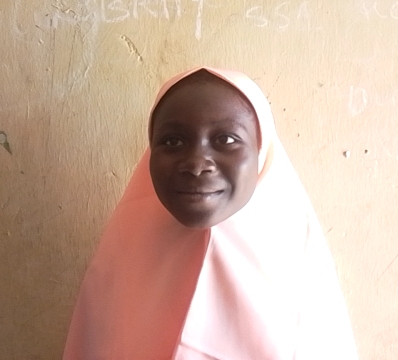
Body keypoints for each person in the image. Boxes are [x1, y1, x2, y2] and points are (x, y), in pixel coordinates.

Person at [63, 67, 359, 359]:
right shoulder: (119, 266)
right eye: (173, 141)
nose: (196, 164)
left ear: (260, 150)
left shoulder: (300, 279)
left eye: (226, 140)